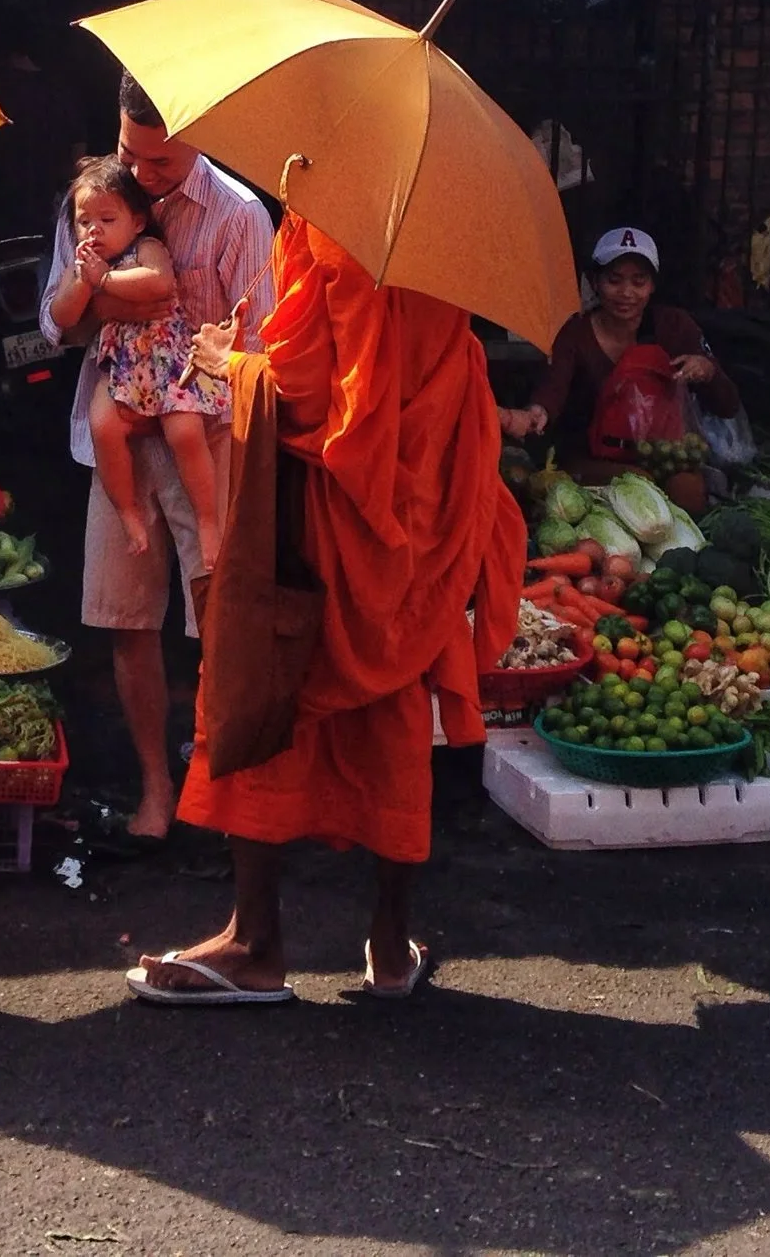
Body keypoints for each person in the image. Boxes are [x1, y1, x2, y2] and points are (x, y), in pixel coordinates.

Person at [128, 216, 525, 1005]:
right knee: (394, 719)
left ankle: (255, 942)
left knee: (271, 693)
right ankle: (388, 943)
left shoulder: (338, 229)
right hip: (416, 531)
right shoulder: (446, 241)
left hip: (324, 529)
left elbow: (317, 398)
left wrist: (231, 364)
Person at [37, 74, 274, 844]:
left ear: (201, 133)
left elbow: (260, 347)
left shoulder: (239, 214)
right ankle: (155, 786)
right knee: (124, 615)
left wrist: (141, 311)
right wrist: (118, 295)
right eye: (132, 154)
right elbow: (55, 323)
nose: (146, 175)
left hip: (204, 430)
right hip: (120, 426)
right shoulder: (93, 199)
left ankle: (218, 784)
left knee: (220, 619)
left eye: (163, 164)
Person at [46, 156, 229, 568]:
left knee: (185, 431)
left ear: (138, 221)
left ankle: (206, 520)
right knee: (102, 425)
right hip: (121, 369)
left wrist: (106, 281)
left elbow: (160, 282)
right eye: (83, 222)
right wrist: (83, 281)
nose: (94, 230)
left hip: (167, 361)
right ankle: (128, 513)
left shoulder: (147, 248)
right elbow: (61, 317)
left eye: (107, 219)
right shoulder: (84, 266)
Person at [500, 226, 739, 515]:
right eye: (614, 280)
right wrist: (536, 412)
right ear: (595, 282)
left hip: (662, 454)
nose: (626, 293)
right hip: (590, 456)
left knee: (688, 489)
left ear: (652, 285)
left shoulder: (674, 326)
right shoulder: (575, 333)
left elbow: (728, 405)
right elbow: (553, 388)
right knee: (641, 482)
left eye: (639, 282)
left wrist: (706, 370)